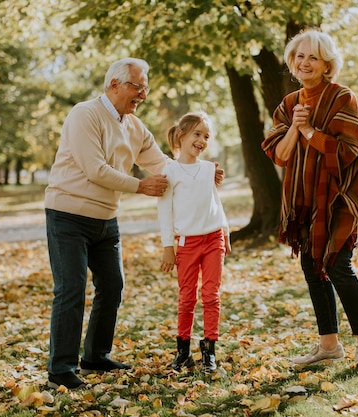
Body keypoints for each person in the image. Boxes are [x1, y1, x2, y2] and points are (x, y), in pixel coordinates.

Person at [44, 58, 223, 389]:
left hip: (105, 219)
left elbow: (164, 165)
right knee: (71, 288)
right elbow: (94, 169)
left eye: (146, 87)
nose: (143, 94)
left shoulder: (134, 126)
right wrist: (140, 185)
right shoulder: (85, 114)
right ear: (114, 85)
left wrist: (200, 174)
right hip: (68, 216)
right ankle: (60, 369)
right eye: (137, 86)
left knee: (112, 286)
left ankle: (95, 356)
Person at [261, 30, 358, 368]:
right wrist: (297, 128)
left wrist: (311, 131)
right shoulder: (288, 105)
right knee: (312, 266)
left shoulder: (343, 97)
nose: (304, 62)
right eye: (299, 56)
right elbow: (280, 156)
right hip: (304, 199)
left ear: (327, 63)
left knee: (337, 265)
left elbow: (350, 150)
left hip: (342, 194)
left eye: (312, 57)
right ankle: (328, 345)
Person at [157, 112, 231, 374]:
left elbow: (215, 201)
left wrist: (225, 230)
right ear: (182, 135)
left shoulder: (210, 168)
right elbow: (165, 211)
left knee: (211, 295)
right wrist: (168, 247)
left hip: (213, 239)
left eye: (206, 136)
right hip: (186, 244)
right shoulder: (169, 172)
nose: (202, 140)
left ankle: (209, 348)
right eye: (197, 134)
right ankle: (183, 351)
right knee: (187, 298)